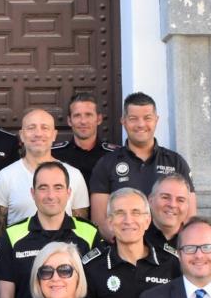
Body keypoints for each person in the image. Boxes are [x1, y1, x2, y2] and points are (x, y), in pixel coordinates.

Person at [0, 161, 102, 298]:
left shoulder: (89, 233)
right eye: (43, 188)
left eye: (58, 188)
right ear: (33, 193)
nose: (51, 196)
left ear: (69, 192)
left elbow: (98, 291)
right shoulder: (13, 235)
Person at [89, 91, 195, 239]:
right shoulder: (106, 164)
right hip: (124, 254)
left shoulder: (176, 162)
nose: (140, 124)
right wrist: (130, 247)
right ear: (123, 121)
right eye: (133, 118)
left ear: (156, 120)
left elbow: (189, 215)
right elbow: (100, 220)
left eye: (147, 118)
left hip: (169, 253)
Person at [0, 109, 90, 237]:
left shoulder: (74, 176)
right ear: (21, 134)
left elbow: (81, 227)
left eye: (45, 128)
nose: (38, 134)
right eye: (31, 128)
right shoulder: (4, 177)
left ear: (54, 134)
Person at [51, 93, 115, 187]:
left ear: (99, 119)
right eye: (77, 115)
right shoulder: (54, 155)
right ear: (69, 121)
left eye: (88, 115)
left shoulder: (114, 155)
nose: (83, 121)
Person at [144, 174, 192, 263]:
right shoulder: (136, 238)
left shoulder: (196, 241)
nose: (172, 205)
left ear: (187, 206)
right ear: (150, 200)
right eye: (165, 197)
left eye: (180, 200)